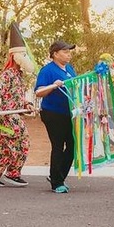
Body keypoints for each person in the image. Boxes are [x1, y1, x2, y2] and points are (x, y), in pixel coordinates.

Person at [0, 22, 35, 187]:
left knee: (6, 146)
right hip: (8, 116)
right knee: (21, 142)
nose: (25, 58)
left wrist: (27, 104)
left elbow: (16, 96)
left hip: (15, 113)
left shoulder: (18, 75)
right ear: (15, 56)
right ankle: (11, 173)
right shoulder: (8, 74)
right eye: (23, 55)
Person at [34, 39, 77, 193]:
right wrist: (54, 85)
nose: (69, 54)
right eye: (65, 51)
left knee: (73, 146)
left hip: (69, 113)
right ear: (55, 54)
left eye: (69, 51)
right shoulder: (47, 70)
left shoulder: (70, 69)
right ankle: (56, 182)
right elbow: (39, 92)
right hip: (52, 113)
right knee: (58, 146)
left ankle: (58, 176)